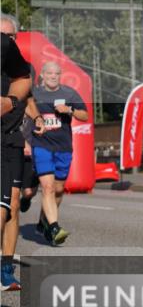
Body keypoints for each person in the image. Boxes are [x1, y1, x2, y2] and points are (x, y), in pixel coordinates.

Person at [29, 60, 87, 246]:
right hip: (42, 145)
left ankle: (43, 221)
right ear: (43, 76)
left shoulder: (68, 93)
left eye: (57, 74)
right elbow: (24, 111)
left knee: (59, 189)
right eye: (50, 74)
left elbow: (85, 115)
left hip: (63, 147)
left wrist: (69, 110)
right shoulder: (35, 94)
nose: (53, 77)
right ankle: (54, 227)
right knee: (48, 187)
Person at [1, 16, 32, 289]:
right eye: (3, 35)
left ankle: (6, 268)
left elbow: (27, 94)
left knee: (9, 208)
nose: (8, 41)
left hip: (10, 142)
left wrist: (38, 121)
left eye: (12, 36)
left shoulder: (18, 66)